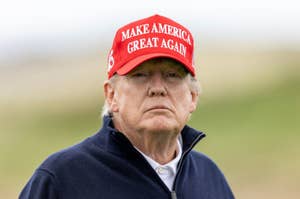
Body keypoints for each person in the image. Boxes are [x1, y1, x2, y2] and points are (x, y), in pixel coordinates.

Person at [20, 14, 234, 199]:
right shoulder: (62, 179)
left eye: (172, 75)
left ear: (192, 96)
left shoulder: (209, 177)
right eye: (140, 75)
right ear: (111, 95)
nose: (157, 89)